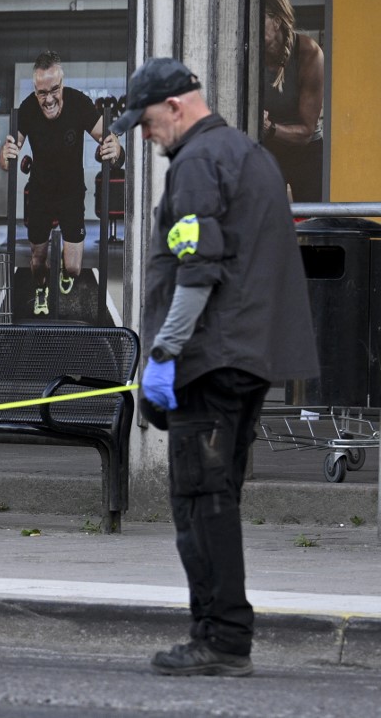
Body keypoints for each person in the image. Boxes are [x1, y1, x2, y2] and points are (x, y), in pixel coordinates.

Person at [111, 58, 319, 677]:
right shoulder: (251, 155)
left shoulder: (199, 163)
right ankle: (219, 633)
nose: (144, 137)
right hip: (246, 361)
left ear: (175, 107)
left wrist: (163, 357)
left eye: (146, 124)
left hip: (210, 362)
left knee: (200, 502)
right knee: (215, 497)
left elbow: (197, 270)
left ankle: (223, 639)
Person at [0, 51, 124, 316]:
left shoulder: (79, 103)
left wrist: (116, 150)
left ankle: (65, 272)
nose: (49, 98)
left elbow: (109, 140)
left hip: (71, 191)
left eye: (54, 89)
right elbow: (8, 155)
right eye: (42, 92)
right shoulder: (29, 108)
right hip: (41, 192)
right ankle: (41, 287)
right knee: (37, 259)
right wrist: (7, 154)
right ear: (35, 90)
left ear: (62, 84)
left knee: (76, 268)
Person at [262, 0, 325, 202]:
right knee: (268, 220)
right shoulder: (250, 52)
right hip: (269, 148)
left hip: (306, 150)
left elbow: (307, 131)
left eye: (257, 20)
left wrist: (269, 128)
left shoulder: (308, 53)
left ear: (276, 21)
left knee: (312, 222)